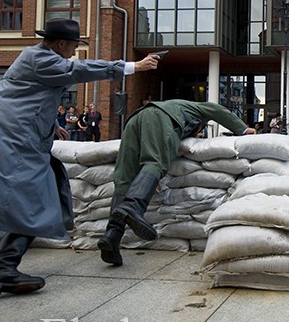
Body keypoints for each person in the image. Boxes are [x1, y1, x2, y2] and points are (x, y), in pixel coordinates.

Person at [0, 18, 160, 314]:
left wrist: (52, 125)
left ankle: (2, 270)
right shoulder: (40, 58)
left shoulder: (41, 62)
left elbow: (32, 98)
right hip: (7, 147)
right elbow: (76, 71)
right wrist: (131, 67)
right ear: (59, 43)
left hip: (22, 144)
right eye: (72, 46)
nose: (73, 52)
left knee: (41, 200)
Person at [98, 100, 256, 266]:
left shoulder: (173, 104)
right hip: (160, 117)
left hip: (135, 119)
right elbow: (215, 109)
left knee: (124, 177)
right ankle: (133, 205)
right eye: (198, 133)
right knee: (155, 162)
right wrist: (243, 129)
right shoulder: (193, 109)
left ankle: (112, 236)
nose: (197, 135)